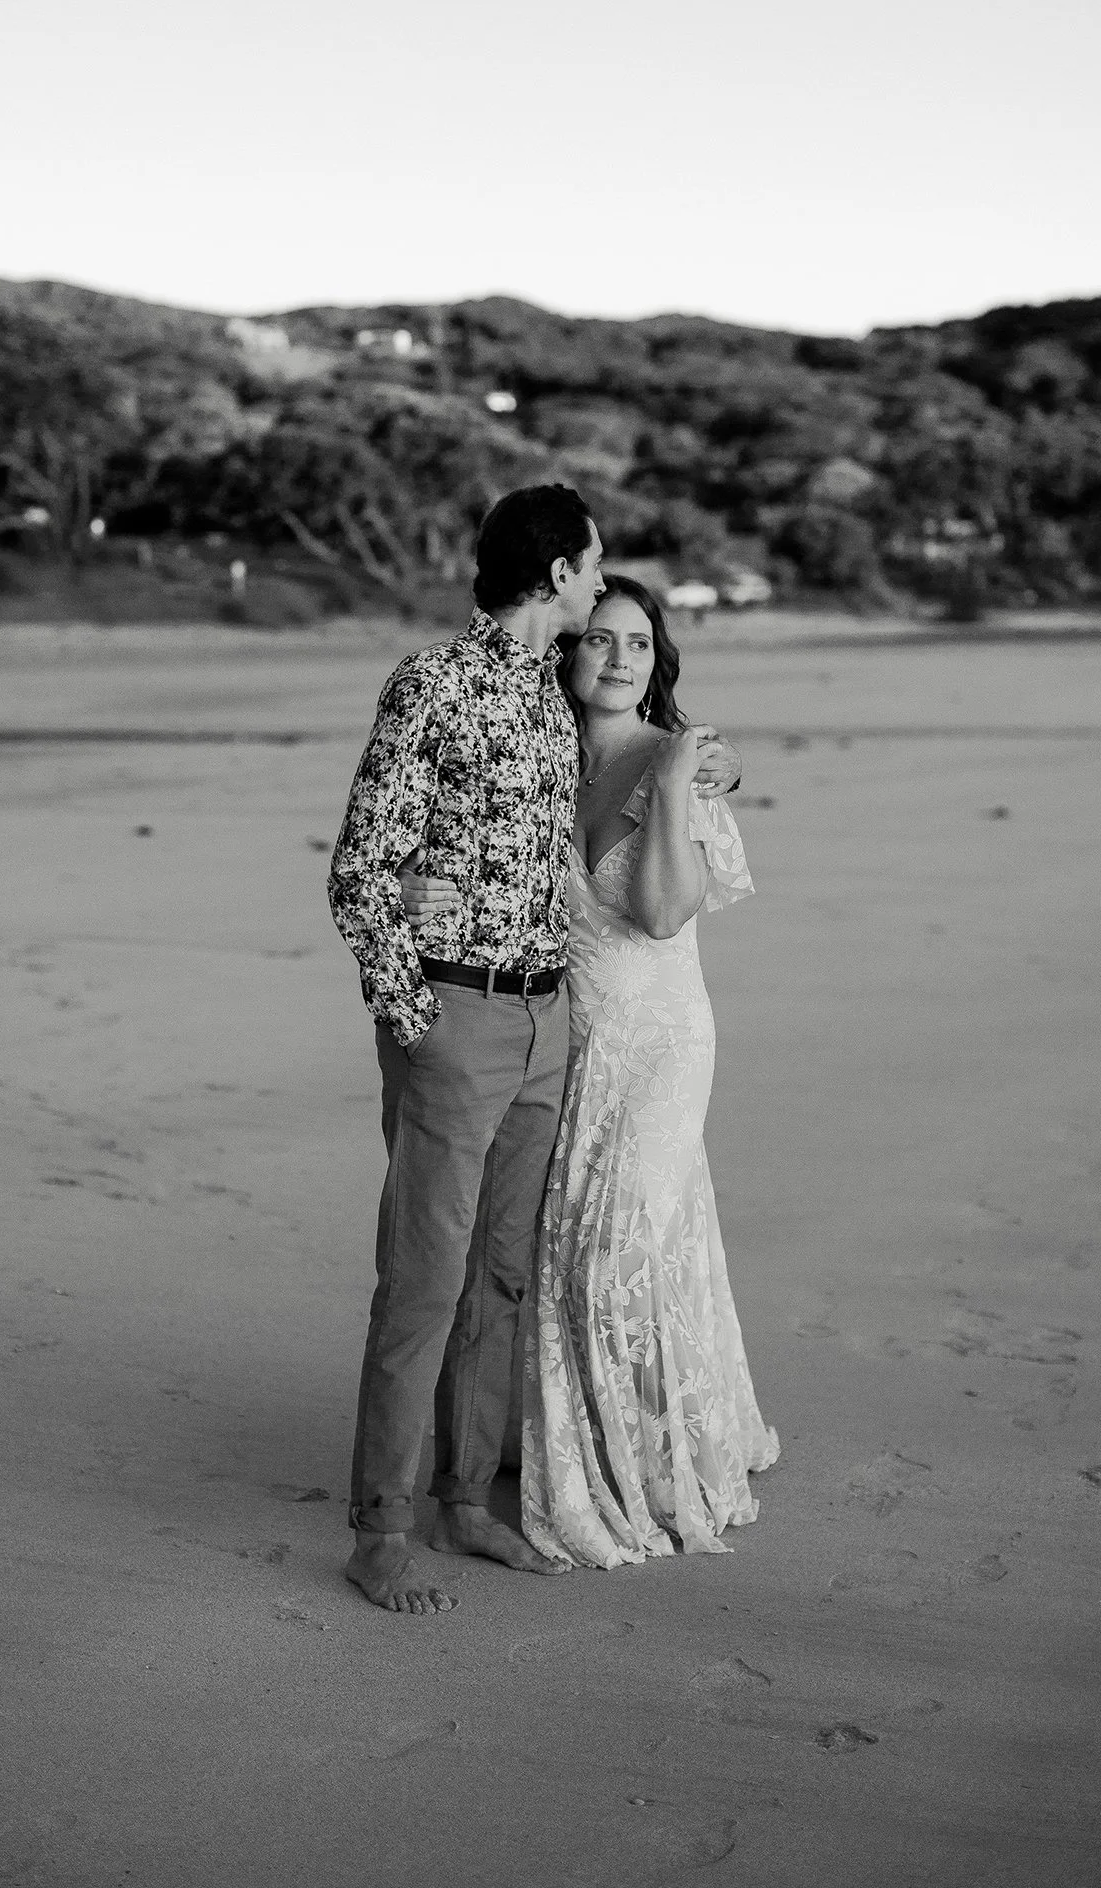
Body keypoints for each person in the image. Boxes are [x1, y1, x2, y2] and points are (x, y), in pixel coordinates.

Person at [328, 488, 739, 1616]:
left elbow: (638, 736)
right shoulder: (433, 683)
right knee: (424, 1279)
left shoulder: (553, 695)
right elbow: (360, 871)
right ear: (558, 573)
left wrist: (715, 768)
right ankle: (380, 1528)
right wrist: (414, 1021)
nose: (599, 584)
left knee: (501, 1273)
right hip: (456, 1019)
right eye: (592, 565)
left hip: (549, 1019)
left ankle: (464, 1500)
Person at [402, 575, 778, 1568]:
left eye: (638, 645)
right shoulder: (542, 753)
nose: (616, 659)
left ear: (658, 665)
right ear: (569, 653)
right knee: (557, 1249)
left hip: (658, 1043)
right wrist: (414, 886)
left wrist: (677, 783)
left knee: (625, 1248)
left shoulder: (679, 763)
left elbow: (659, 913)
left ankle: (649, 1466)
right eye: (599, 640)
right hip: (562, 1039)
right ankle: (568, 1434)